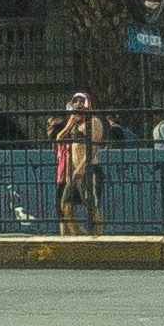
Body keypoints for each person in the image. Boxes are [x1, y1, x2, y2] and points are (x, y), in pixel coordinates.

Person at [51, 91, 106, 239]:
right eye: (75, 101)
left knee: (90, 205)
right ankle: (77, 234)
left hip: (89, 169)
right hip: (74, 172)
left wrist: (81, 167)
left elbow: (93, 147)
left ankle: (98, 235)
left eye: (81, 101)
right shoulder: (76, 123)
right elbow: (59, 138)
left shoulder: (94, 122)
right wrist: (70, 124)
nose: (78, 104)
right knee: (65, 204)